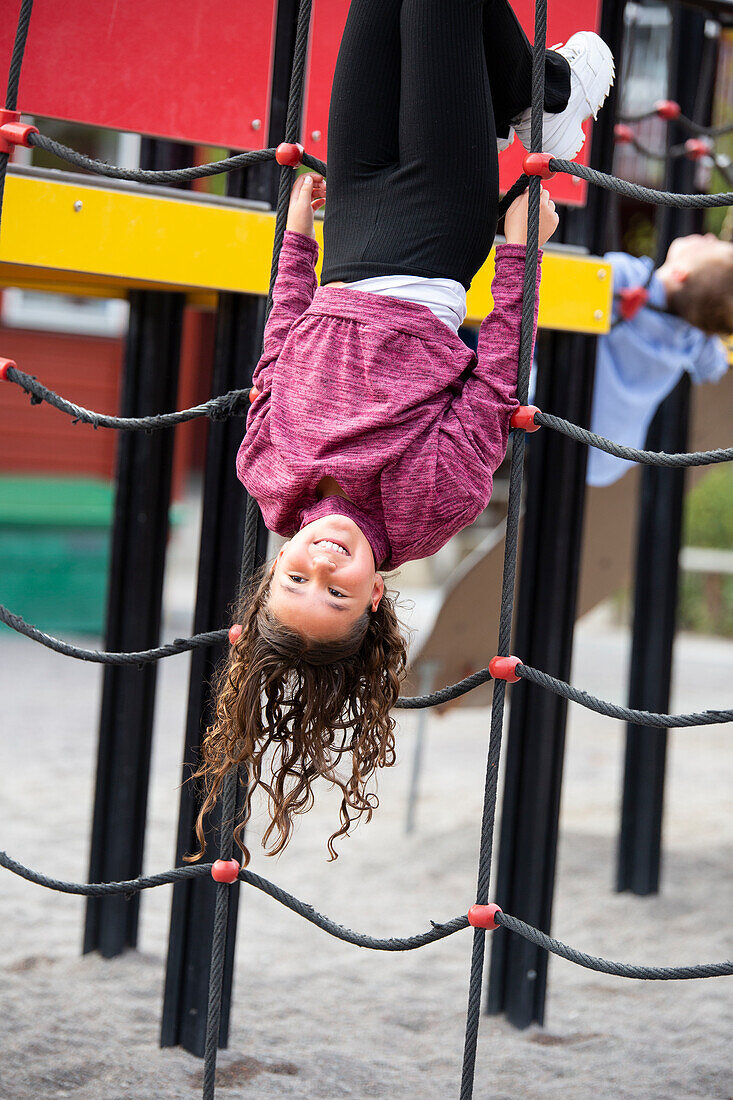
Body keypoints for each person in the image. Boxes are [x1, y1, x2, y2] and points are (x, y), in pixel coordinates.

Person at [190, 0, 614, 866]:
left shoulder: (264, 474)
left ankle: (545, 92)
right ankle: (544, 93)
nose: (325, 563)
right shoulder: (427, 509)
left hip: (348, 232)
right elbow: (495, 381)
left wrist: (296, 246)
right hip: (432, 234)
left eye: (297, 578)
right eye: (337, 591)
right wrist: (520, 257)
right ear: (375, 597)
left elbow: (279, 352)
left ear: (271, 569)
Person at [587, 233, 733, 487]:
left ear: (681, 272)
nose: (710, 236)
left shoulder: (628, 277)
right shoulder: (693, 337)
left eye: (712, 244)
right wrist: (709, 323)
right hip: (607, 459)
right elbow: (715, 367)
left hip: (559, 414)